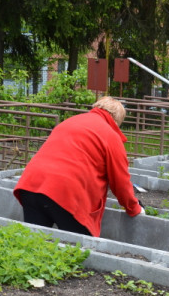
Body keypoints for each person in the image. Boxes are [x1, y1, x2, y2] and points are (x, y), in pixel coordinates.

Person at [13, 96, 144, 237]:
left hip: (31, 186)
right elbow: (121, 182)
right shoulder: (110, 136)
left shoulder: (71, 121)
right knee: (79, 250)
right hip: (66, 194)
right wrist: (134, 208)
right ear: (117, 120)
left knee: (34, 246)